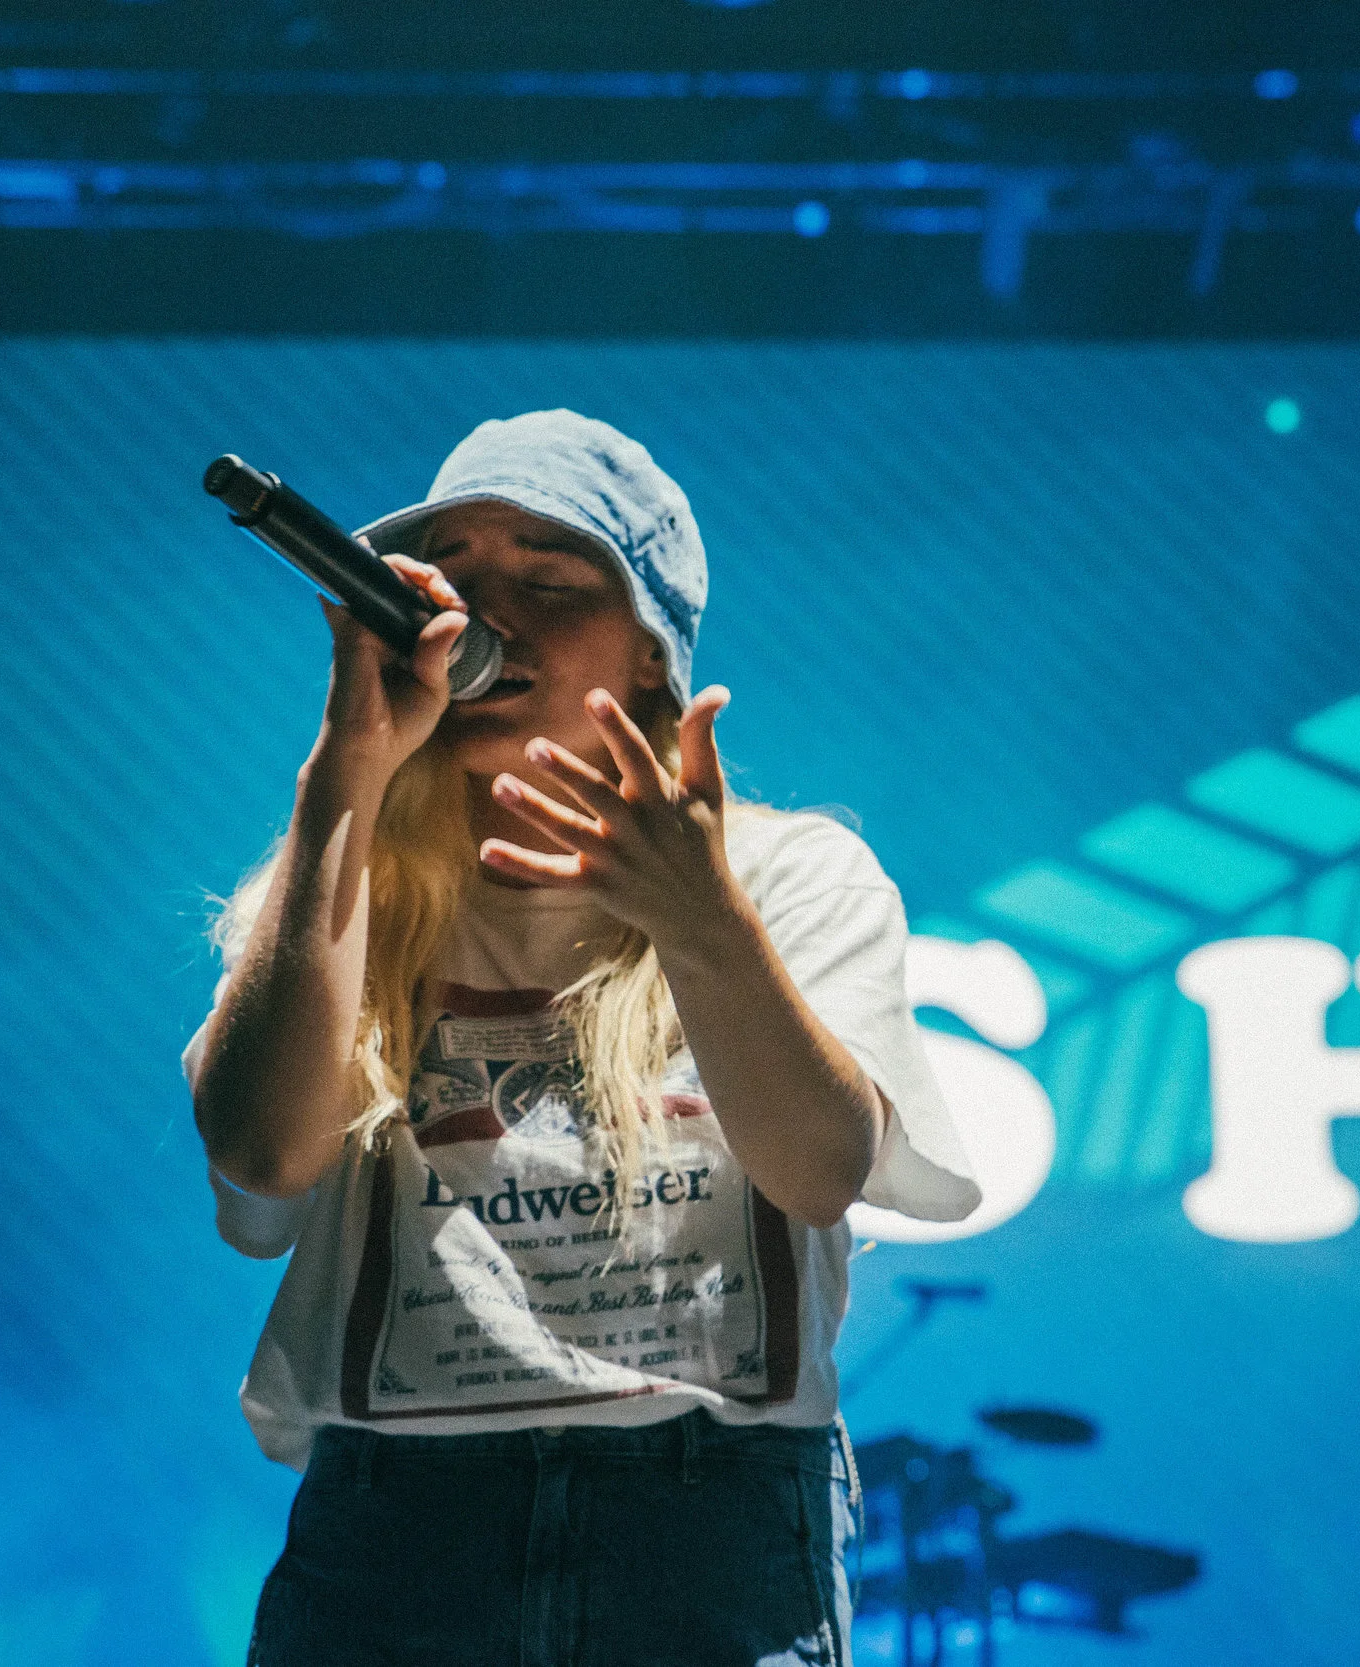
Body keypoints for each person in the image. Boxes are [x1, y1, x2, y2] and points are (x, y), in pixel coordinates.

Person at [182, 410, 980, 1667]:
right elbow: (262, 1150)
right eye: (454, 578)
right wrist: (345, 768)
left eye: (549, 584)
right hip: (400, 1520)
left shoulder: (792, 876)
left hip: (706, 1519)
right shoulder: (336, 887)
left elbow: (821, 1166)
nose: (488, 614)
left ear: (653, 654)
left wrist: (698, 919)